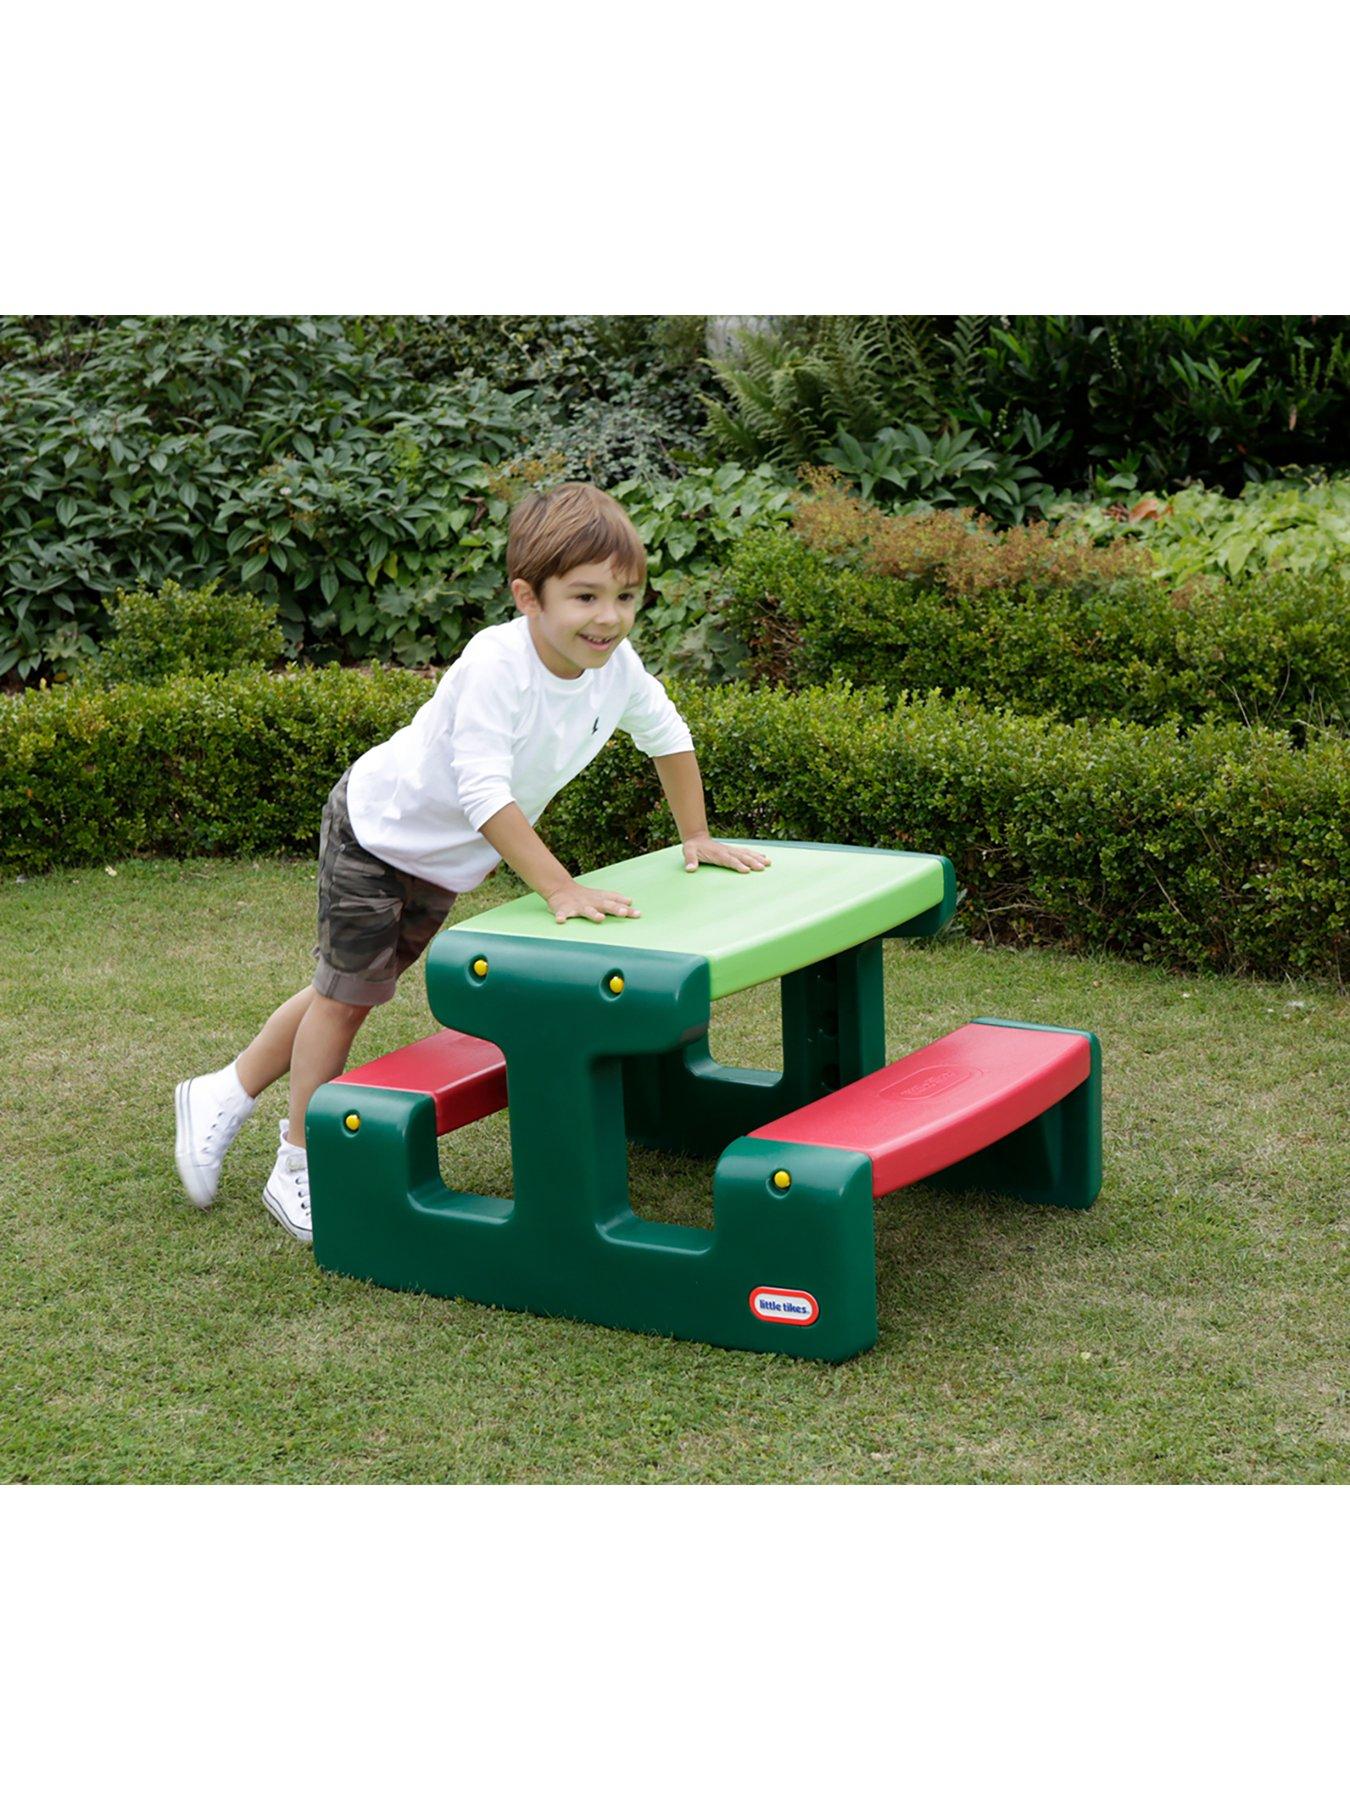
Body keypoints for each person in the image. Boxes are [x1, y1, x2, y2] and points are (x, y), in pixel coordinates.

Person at [174, 482, 770, 1243]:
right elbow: (482, 790)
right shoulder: (497, 664)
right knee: (349, 996)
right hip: (377, 831)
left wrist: (697, 835)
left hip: (443, 864)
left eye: (626, 596)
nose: (610, 617)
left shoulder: (616, 667)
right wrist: (557, 886)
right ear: (529, 595)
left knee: (351, 988)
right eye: (585, 597)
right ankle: (299, 1161)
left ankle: (223, 1088)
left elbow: (668, 733)